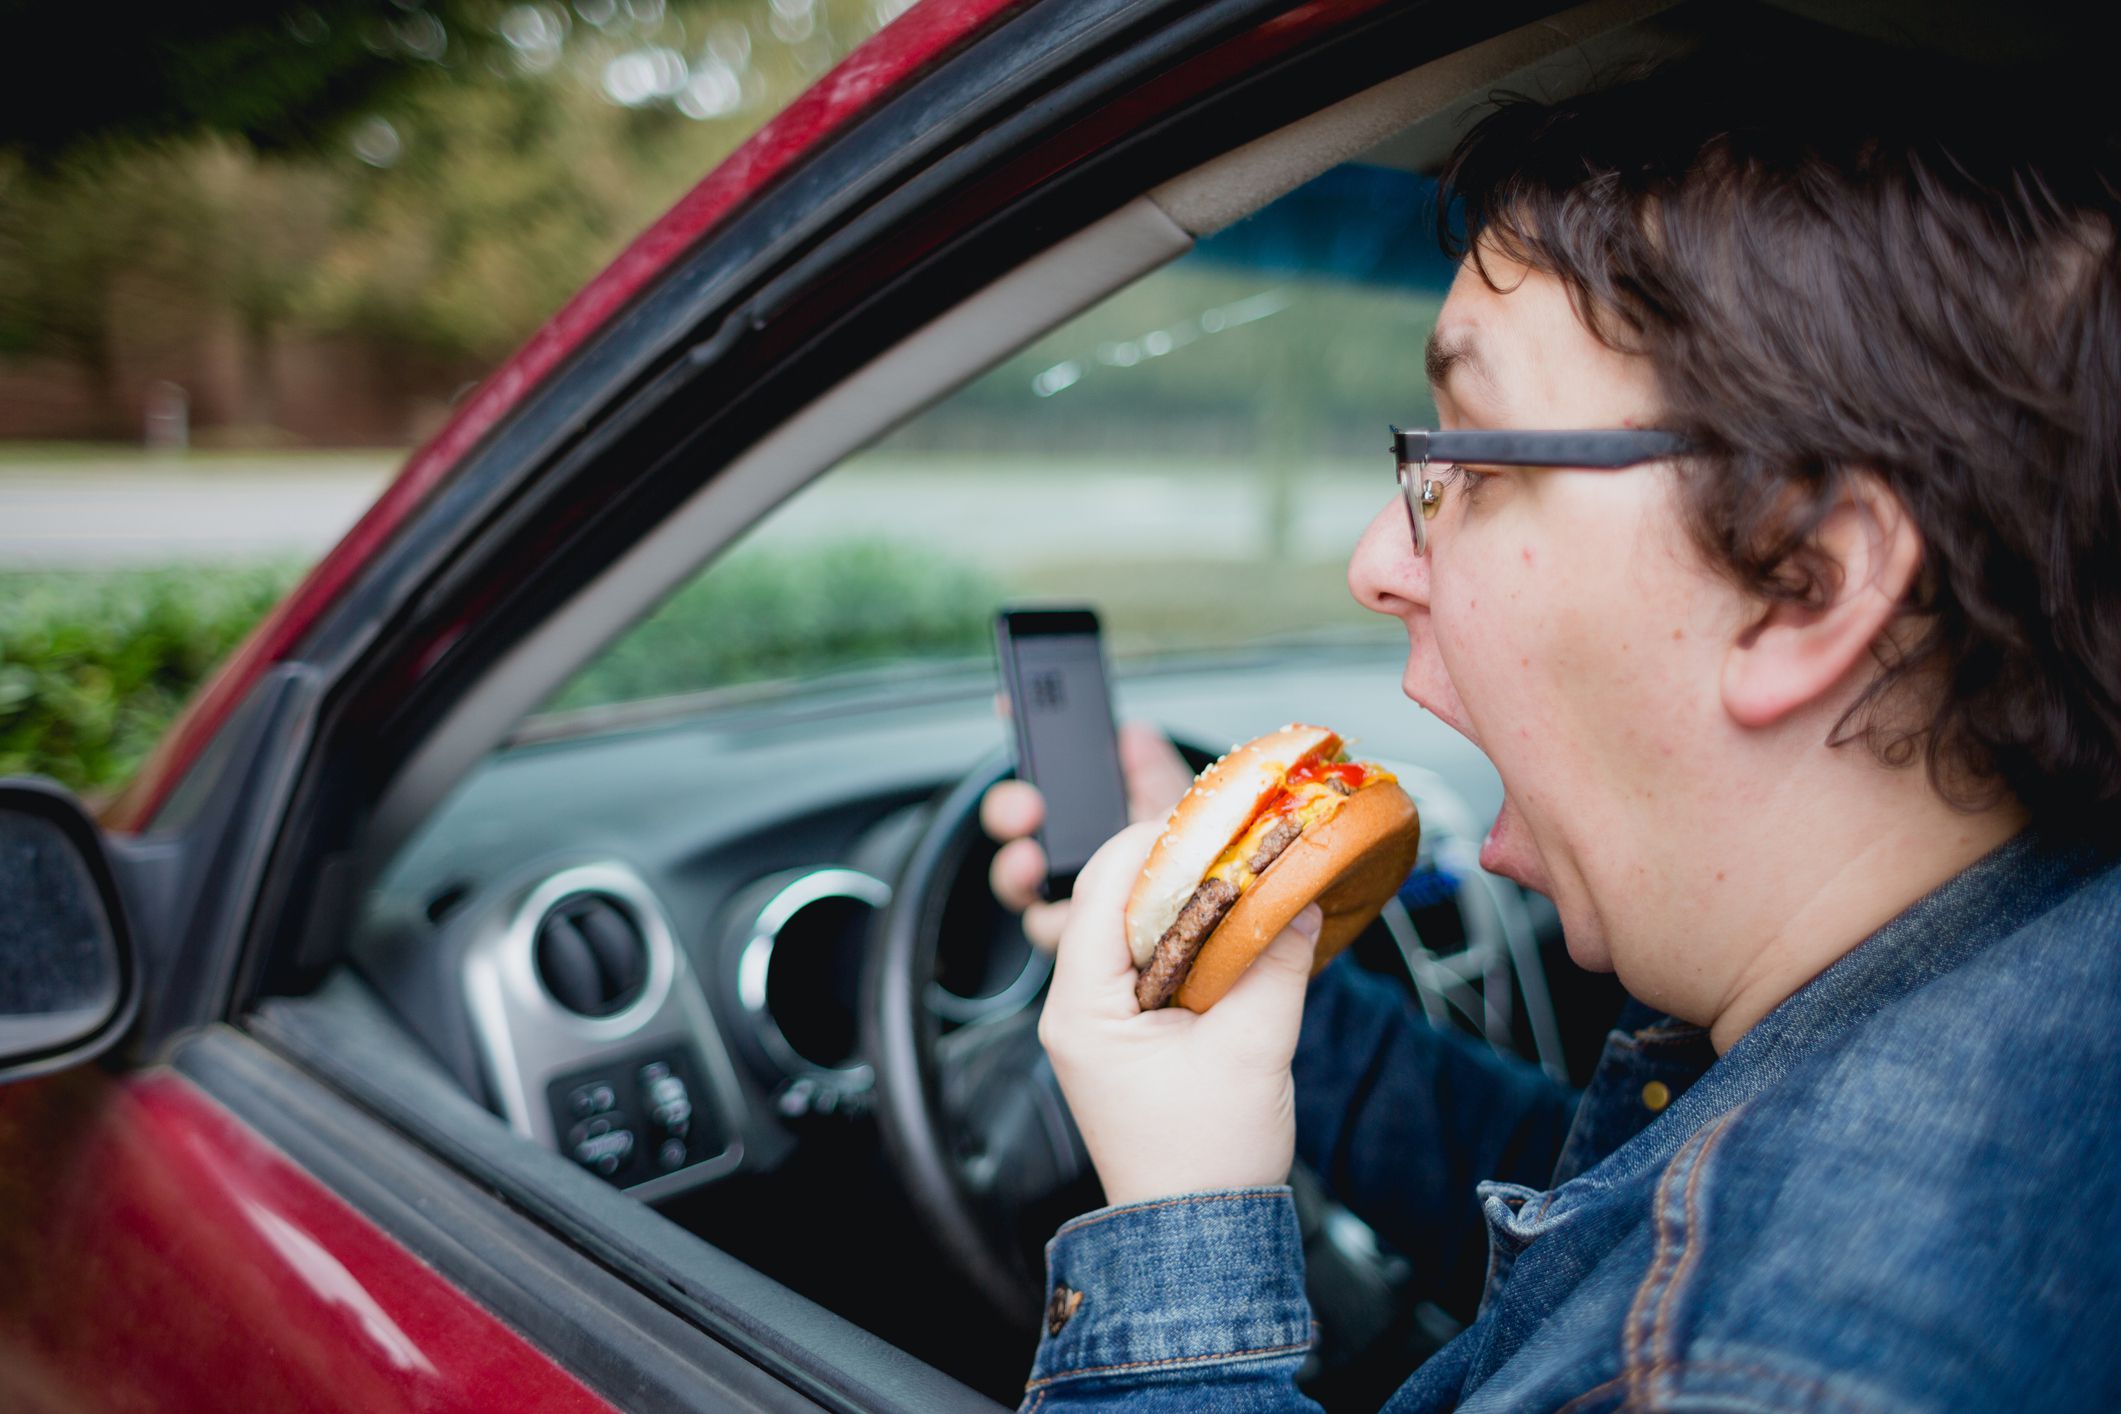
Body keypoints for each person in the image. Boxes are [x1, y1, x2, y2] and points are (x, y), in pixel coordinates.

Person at [980, 48, 2121, 1412]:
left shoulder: (1757, 1374)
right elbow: (1589, 1233)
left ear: (1801, 581)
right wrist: (1237, 985)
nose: (1375, 561)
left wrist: (1173, 1231)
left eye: (1461, 458)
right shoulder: (2024, 959)